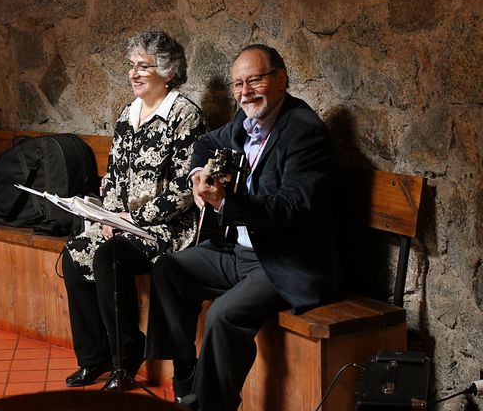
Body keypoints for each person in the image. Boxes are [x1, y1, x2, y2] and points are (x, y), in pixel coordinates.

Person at [145, 44, 342, 410]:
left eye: (254, 80)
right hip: (238, 252)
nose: (244, 92)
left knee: (223, 314)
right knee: (167, 268)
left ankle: (209, 405)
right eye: (238, 84)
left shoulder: (305, 133)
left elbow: (292, 209)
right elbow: (206, 142)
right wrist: (196, 175)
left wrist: (226, 202)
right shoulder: (246, 121)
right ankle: (186, 375)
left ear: (281, 79)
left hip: (283, 261)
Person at [61, 30, 207, 391]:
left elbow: (185, 189)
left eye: (145, 66)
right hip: (124, 223)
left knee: (111, 256)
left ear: (169, 71)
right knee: (75, 253)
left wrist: (135, 220)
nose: (134, 73)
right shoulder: (128, 114)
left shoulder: (185, 115)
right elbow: (112, 178)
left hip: (168, 227)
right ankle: (94, 357)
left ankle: (124, 360)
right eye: (132, 66)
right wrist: (108, 218)